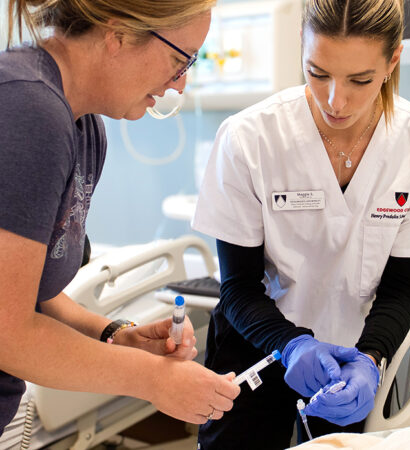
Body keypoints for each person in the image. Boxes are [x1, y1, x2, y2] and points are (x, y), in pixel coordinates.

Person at [192, 0, 410, 448]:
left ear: (392, 61)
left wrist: (370, 360)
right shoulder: (250, 138)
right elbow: (238, 287)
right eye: (318, 73)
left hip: (358, 356)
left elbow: (399, 292)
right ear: (301, 47)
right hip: (257, 345)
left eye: (360, 80)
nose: (337, 100)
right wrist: (293, 346)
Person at [0, 0, 240, 437]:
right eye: (178, 59)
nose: (180, 84)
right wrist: (152, 379)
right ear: (119, 34)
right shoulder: (25, 108)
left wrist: (114, 333)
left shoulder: (85, 127)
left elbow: (29, 291)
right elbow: (7, 331)